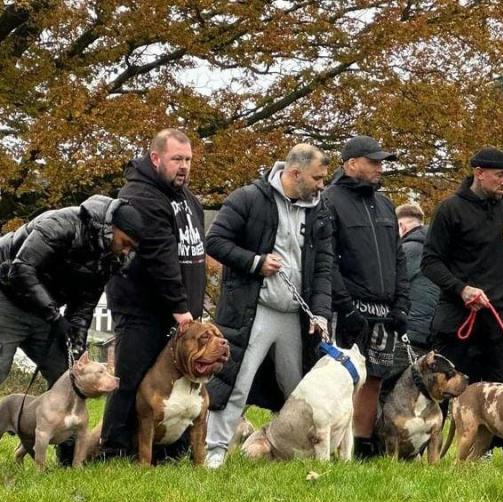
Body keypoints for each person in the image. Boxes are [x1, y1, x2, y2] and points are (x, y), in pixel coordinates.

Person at [203, 144, 333, 469]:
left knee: (298, 387)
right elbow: (215, 241)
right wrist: (255, 262)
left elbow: (324, 266)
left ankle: (295, 449)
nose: (321, 185)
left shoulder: (319, 211)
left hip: (296, 315)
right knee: (236, 381)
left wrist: (320, 312)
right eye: (317, 178)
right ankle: (213, 452)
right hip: (254, 310)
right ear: (294, 173)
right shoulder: (248, 198)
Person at [421, 147, 503, 463]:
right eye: (500, 175)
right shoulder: (450, 210)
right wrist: (461, 289)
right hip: (458, 317)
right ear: (479, 173)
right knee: (446, 389)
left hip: (500, 315)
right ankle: (431, 455)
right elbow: (430, 262)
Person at [0, 195, 141, 464]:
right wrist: (54, 315)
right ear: (111, 228)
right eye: (125, 243)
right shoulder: (61, 224)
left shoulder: (108, 257)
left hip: (44, 312)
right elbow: (21, 269)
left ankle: (69, 459)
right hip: (6, 295)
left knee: (65, 375)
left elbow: (84, 306)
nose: (126, 252)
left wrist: (76, 345)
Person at [101, 128, 207, 459]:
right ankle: (114, 449)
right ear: (156, 158)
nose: (184, 166)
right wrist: (180, 307)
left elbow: (195, 256)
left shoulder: (189, 200)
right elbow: (161, 257)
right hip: (141, 307)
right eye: (177, 159)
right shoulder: (141, 196)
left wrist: (192, 305)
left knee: (175, 384)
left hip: (181, 311)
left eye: (188, 159)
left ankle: (167, 452)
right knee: (131, 378)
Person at [325, 135, 409, 459]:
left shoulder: (385, 204)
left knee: (375, 376)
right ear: (351, 164)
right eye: (373, 161)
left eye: (381, 161)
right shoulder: (330, 200)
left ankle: (361, 445)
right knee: (343, 379)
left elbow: (398, 256)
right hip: (349, 307)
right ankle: (334, 446)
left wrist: (402, 302)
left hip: (385, 308)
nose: (380, 167)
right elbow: (326, 259)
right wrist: (344, 305)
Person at [390, 202, 440, 372]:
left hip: (408, 332)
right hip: (434, 334)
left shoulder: (406, 250)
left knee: (386, 388)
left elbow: (389, 285)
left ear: (401, 226)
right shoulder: (437, 249)